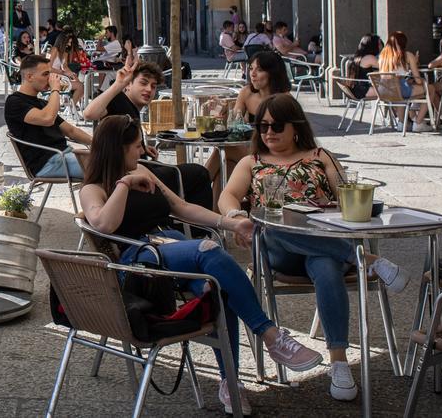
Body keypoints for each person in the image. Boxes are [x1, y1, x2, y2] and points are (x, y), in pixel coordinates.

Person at [82, 115, 324, 413]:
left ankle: (230, 382)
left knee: (219, 291)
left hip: (168, 248)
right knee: (208, 249)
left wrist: (230, 223)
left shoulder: (144, 169)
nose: (141, 151)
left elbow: (181, 208)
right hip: (139, 262)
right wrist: (124, 184)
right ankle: (270, 335)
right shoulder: (93, 189)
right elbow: (104, 224)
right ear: (116, 149)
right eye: (134, 146)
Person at [218, 94, 408, 401]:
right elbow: (227, 196)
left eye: (277, 125)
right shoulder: (250, 163)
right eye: (263, 125)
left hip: (325, 243)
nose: (269, 132)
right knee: (269, 224)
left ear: (295, 126)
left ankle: (339, 363)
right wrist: (236, 214)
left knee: (325, 265)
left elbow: (348, 196)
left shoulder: (320, 156)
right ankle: (366, 259)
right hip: (279, 251)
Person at [83, 57, 215, 209]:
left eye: (153, 86)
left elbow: (124, 139)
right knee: (199, 173)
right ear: (129, 85)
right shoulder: (119, 99)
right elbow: (89, 113)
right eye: (143, 83)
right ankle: (198, 229)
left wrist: (142, 148)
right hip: (131, 176)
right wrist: (118, 85)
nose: (148, 90)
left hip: (139, 171)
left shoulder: (131, 107)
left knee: (203, 172)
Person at [4, 55, 92, 179]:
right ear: (29, 77)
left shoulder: (43, 103)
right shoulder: (15, 102)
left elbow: (71, 131)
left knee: (114, 161)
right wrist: (55, 90)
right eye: (46, 74)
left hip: (65, 155)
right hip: (47, 163)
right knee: (109, 169)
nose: (50, 79)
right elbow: (47, 119)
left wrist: (98, 143)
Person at [378, 30, 431, 130]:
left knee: (401, 94)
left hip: (383, 90)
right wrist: (414, 62)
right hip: (399, 90)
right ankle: (418, 122)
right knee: (430, 89)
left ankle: (402, 123)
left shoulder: (382, 56)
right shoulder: (407, 55)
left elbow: (392, 76)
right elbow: (418, 80)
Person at [234, 51, 291, 123]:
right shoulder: (246, 92)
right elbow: (234, 122)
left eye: (259, 70)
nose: (253, 74)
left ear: (273, 73)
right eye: (251, 68)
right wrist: (222, 111)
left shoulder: (285, 100)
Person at [47, 31, 85, 107]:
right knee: (80, 87)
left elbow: (65, 67)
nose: (69, 44)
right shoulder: (54, 49)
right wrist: (63, 73)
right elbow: (48, 68)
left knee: (81, 86)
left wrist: (74, 76)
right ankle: (70, 108)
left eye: (70, 42)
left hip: (59, 78)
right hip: (51, 79)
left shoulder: (65, 52)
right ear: (62, 41)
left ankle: (69, 107)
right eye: (68, 42)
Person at [346, 34, 382, 100]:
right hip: (364, 90)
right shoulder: (369, 58)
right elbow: (385, 67)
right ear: (373, 45)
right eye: (379, 44)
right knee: (393, 92)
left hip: (355, 90)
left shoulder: (357, 57)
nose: (381, 46)